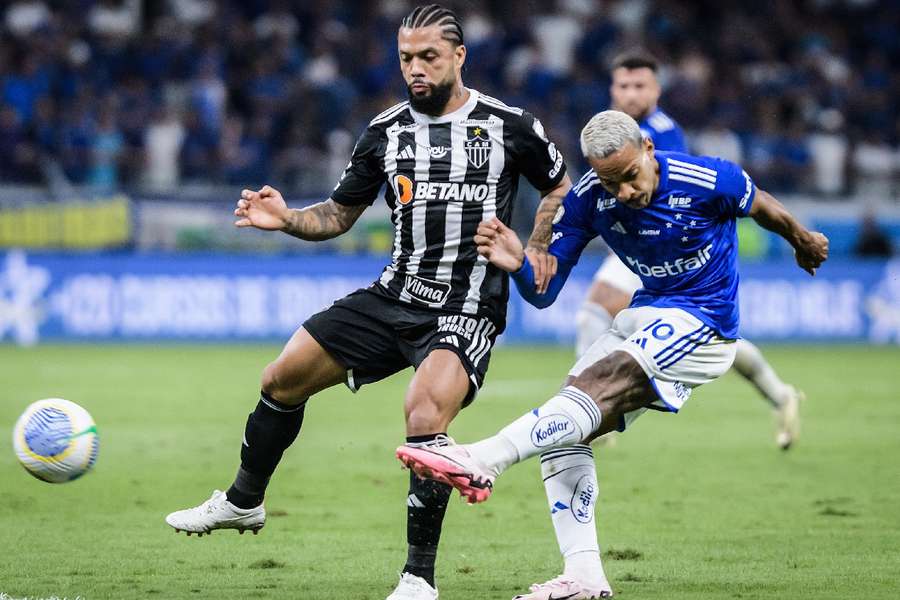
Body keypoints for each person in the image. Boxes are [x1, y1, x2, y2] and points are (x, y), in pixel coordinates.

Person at [164, 6, 571, 600]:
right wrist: (284, 220)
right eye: (406, 57)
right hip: (392, 295)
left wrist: (532, 248)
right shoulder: (384, 131)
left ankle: (418, 579)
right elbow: (337, 214)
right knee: (281, 379)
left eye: (428, 56)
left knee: (424, 417)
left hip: (465, 306)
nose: (415, 68)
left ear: (459, 57)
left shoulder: (509, 126)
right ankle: (243, 502)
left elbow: (560, 185)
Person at [397, 110, 829, 600]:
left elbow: (762, 205)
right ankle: (583, 576)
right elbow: (544, 291)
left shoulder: (708, 178)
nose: (624, 192)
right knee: (567, 425)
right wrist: (520, 262)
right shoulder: (588, 198)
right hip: (645, 314)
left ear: (648, 148)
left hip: (705, 321)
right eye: (611, 182)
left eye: (630, 177)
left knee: (604, 380)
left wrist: (803, 239)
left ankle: (482, 458)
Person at [577, 51, 802, 450]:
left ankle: (592, 415)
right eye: (623, 86)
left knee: (599, 309)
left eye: (640, 86)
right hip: (635, 242)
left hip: (662, 244)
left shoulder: (661, 133)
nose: (631, 93)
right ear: (613, 89)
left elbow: (671, 196)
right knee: (698, 335)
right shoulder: (611, 134)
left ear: (656, 90)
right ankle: (780, 393)